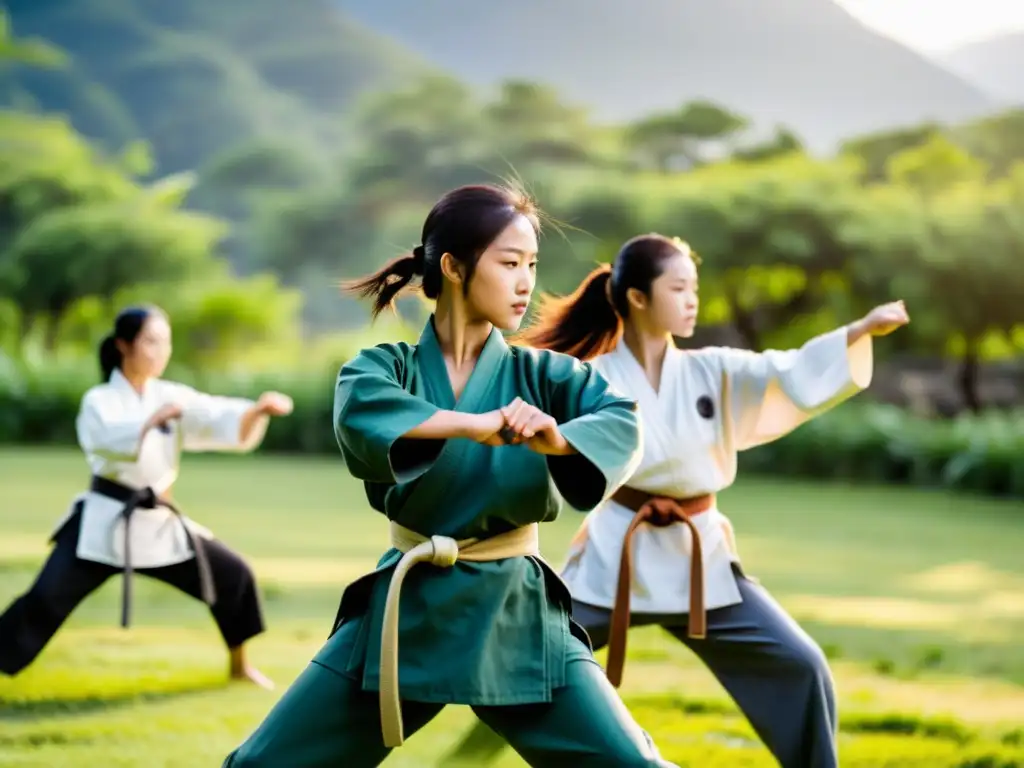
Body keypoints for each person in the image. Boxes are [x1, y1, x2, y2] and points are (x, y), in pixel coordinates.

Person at [222, 184, 679, 768]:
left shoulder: (544, 376)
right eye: (510, 263)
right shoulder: (384, 368)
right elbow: (362, 409)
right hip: (405, 612)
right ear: (454, 267)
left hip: (517, 614)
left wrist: (556, 438)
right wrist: (473, 424)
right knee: (263, 765)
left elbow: (623, 421)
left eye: (532, 266)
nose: (526, 283)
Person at [444, 233, 910, 768]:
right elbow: (525, 415)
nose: (693, 300)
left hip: (700, 561)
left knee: (800, 663)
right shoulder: (592, 378)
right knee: (523, 661)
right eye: (680, 287)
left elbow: (790, 370)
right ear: (638, 298)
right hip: (614, 555)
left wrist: (860, 330)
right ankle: (465, 762)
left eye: (694, 288)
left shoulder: (713, 370)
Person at [0, 305, 294, 689]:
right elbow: (103, 441)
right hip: (103, 523)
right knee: (43, 600)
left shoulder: (169, 394)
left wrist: (256, 411)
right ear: (124, 345)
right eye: (151, 341)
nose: (161, 351)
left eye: (165, 342)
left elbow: (214, 415)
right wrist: (150, 422)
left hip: (157, 522)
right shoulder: (100, 399)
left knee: (233, 575)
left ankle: (240, 666)